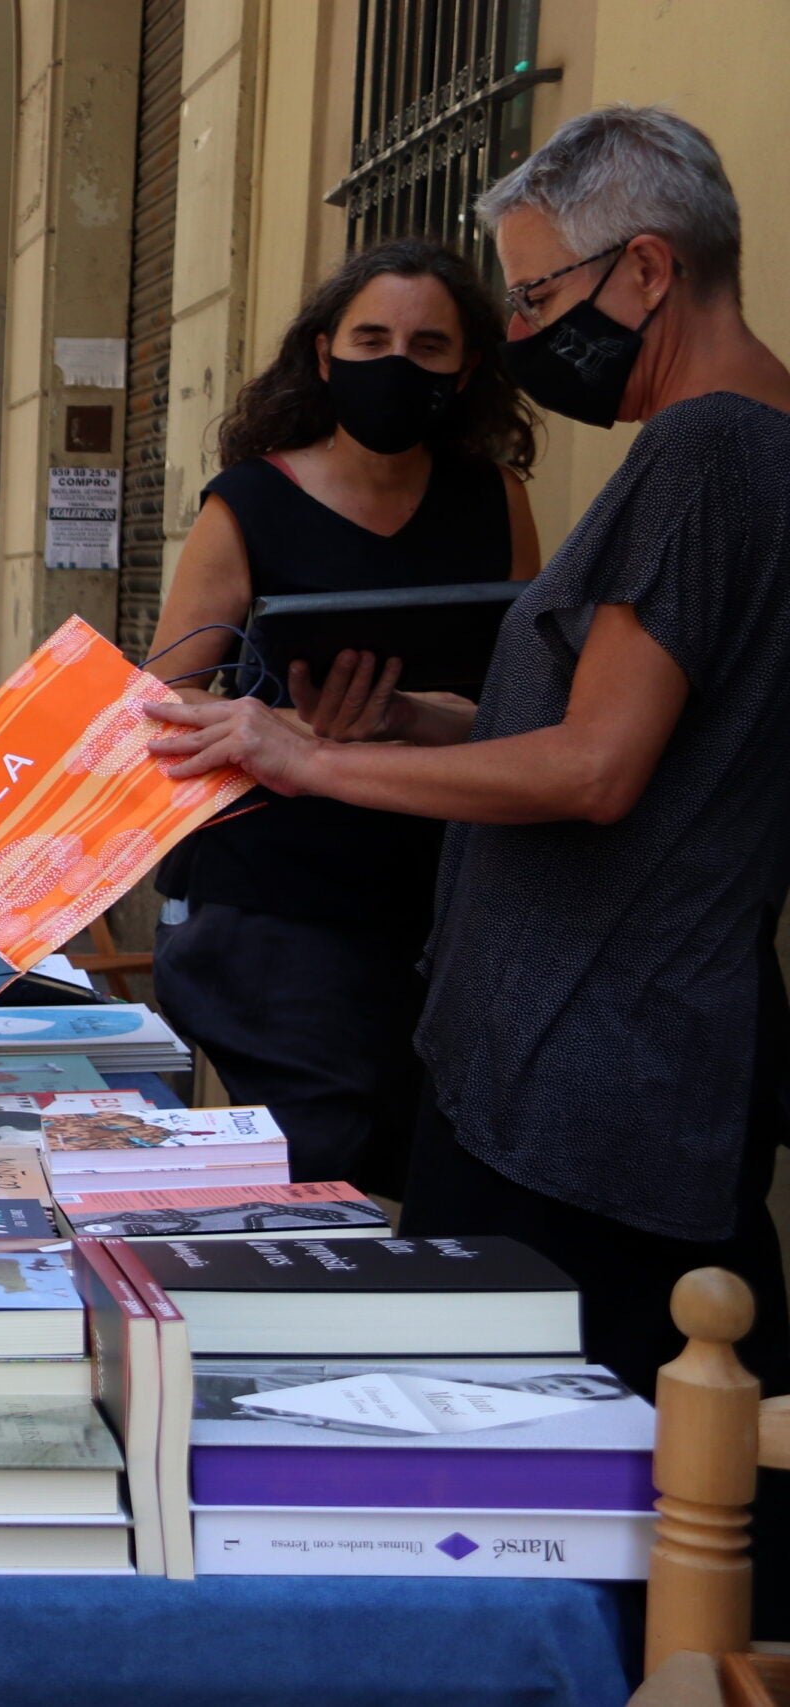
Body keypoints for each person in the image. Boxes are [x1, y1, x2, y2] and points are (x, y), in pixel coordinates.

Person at [145, 106, 790, 1408]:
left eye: (540, 294)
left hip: (583, 1082)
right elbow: (646, 736)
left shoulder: (702, 447)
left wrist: (303, 757)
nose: (533, 334)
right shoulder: (757, 444)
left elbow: (595, 768)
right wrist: (423, 719)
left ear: (649, 271)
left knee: (527, 1468)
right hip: (617, 1061)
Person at [146, 238, 540, 1195]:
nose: (397, 363)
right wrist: (274, 723)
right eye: (372, 338)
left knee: (431, 1170)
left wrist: (413, 717)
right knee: (325, 1160)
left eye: (429, 344)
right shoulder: (249, 502)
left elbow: (532, 710)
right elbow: (159, 700)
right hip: (277, 907)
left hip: (447, 903)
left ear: (468, 368)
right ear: (324, 356)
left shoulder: (498, 500)